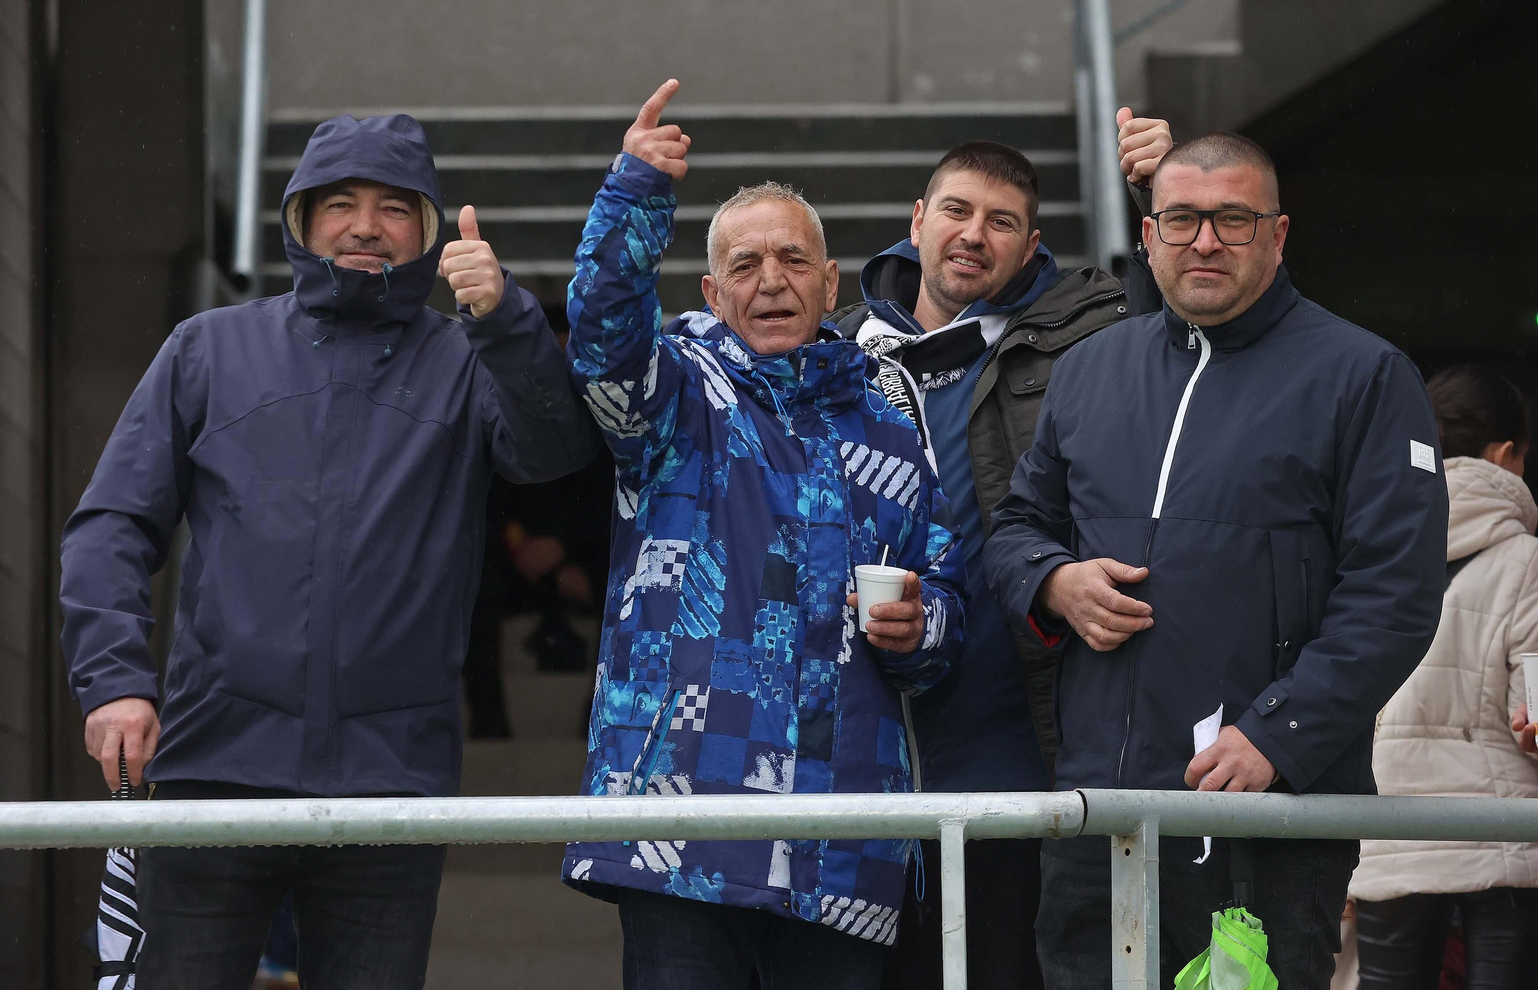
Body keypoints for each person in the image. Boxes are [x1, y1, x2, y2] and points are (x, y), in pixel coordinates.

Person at [60, 112, 598, 988]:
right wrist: (115, 678)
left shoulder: (465, 358)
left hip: (389, 789)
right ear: (300, 221)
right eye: (339, 203)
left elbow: (553, 451)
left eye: (395, 207)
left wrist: (505, 320)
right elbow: (112, 523)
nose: (363, 225)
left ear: (426, 231)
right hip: (212, 771)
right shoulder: (209, 347)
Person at [984, 132, 1450, 990]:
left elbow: (1396, 593)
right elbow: (1016, 525)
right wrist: (1053, 580)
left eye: (1233, 220)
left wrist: (1278, 732)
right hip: (1101, 813)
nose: (1206, 241)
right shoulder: (1089, 372)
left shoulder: (1365, 376)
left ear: (1277, 235)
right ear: (1149, 235)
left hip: (1264, 826)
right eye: (1184, 219)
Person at [560, 79, 966, 990]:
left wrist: (923, 628)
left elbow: (946, 593)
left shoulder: (891, 417)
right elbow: (601, 340)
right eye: (744, 266)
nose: (771, 282)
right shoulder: (676, 397)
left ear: (831, 283)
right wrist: (633, 192)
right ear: (710, 289)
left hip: (847, 846)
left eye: (793, 260)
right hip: (684, 836)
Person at [829, 113, 1173, 988]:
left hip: (1013, 746)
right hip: (850, 758)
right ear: (916, 220)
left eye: (1002, 222)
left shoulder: (1086, 334)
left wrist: (1159, 192)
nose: (973, 235)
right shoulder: (830, 352)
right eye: (956, 210)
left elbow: (1190, 338)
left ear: (1031, 248)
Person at [1348, 365, 1538, 990]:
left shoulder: (1367, 549)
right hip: (1504, 839)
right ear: (1507, 454)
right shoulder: (1525, 560)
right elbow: (1531, 704)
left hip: (1387, 832)